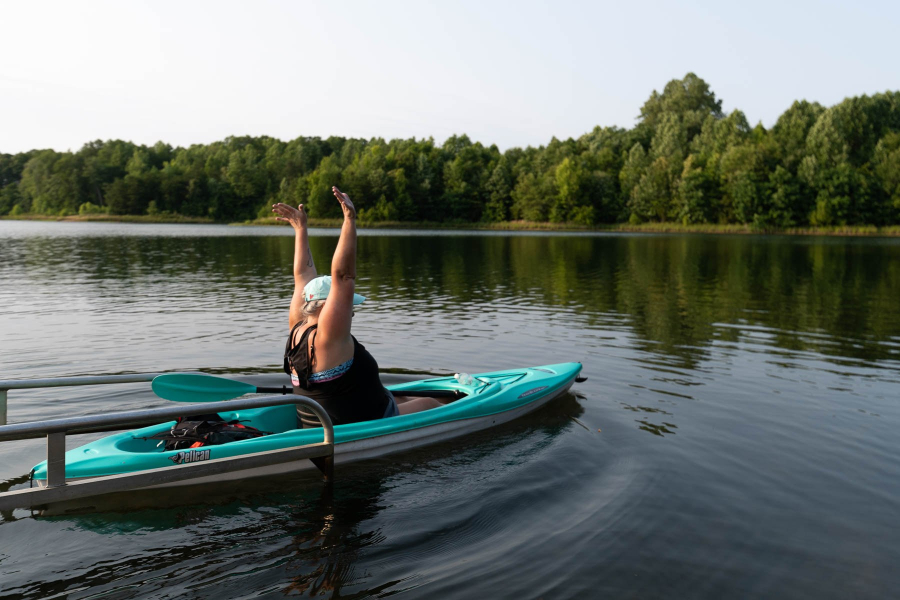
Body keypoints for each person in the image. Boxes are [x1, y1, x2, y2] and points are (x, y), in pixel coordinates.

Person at [273, 186, 443, 427]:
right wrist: (349, 221)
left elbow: (302, 275)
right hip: (360, 423)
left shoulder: (297, 328)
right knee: (431, 405)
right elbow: (343, 276)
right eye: (346, 303)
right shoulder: (328, 337)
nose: (350, 309)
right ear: (326, 306)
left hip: (326, 418)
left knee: (402, 396)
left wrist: (301, 229)